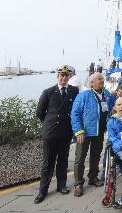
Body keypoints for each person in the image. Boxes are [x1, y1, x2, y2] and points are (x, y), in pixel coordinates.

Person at [34, 65, 79, 204]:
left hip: (65, 132)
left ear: (69, 77)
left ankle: (61, 186)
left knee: (63, 161)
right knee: (48, 163)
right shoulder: (48, 92)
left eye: (66, 75)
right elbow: (40, 113)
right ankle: (43, 191)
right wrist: (50, 123)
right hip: (51, 132)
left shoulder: (73, 91)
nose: (64, 78)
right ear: (57, 77)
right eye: (61, 75)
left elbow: (75, 110)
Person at [71, 72, 116, 197]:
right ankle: (78, 183)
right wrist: (79, 131)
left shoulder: (106, 94)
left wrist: (113, 109)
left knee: (95, 156)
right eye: (99, 79)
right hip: (85, 132)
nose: (102, 80)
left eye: (102, 78)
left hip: (99, 131)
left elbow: (112, 107)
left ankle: (93, 177)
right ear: (92, 83)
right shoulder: (84, 95)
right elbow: (75, 114)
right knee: (80, 158)